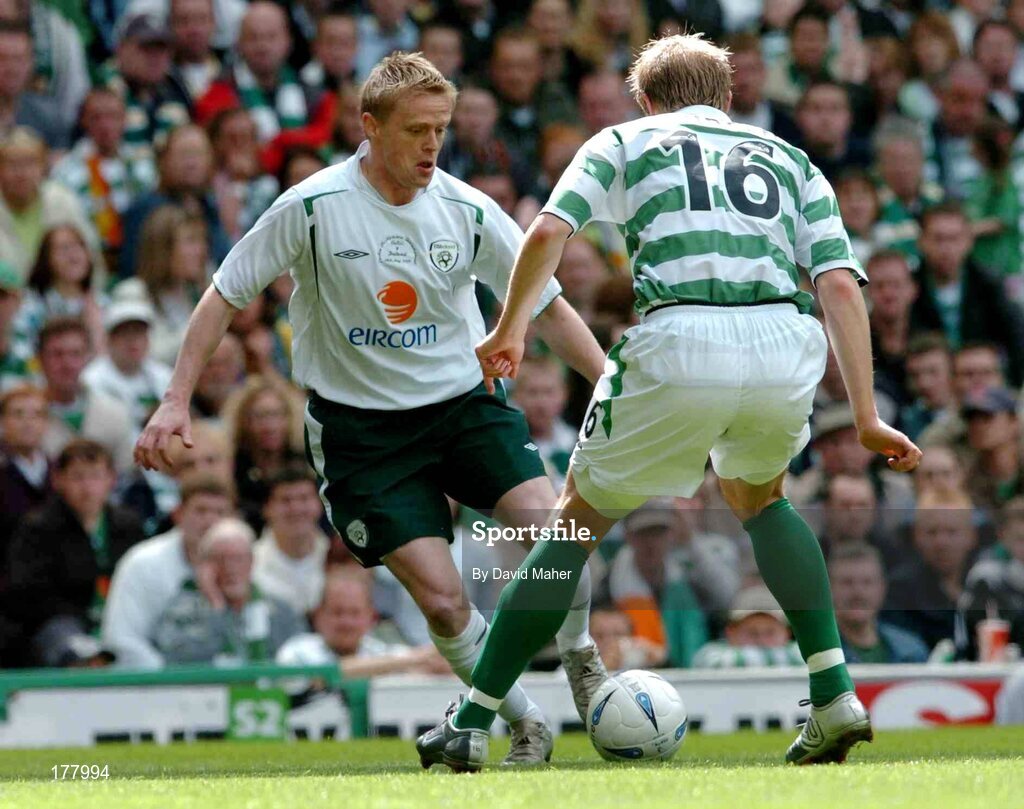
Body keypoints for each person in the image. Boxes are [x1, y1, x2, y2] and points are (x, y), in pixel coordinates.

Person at [422, 33, 921, 772]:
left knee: (572, 528)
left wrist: (509, 328)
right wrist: (869, 412)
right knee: (763, 500)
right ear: (727, 98)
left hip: (680, 333)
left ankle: (472, 718)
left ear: (647, 99)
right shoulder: (789, 157)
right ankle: (834, 691)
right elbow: (840, 285)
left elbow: (550, 230)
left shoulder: (623, 139)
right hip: (786, 339)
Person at [135, 53, 609, 764]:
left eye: (441, 130)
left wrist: (610, 383)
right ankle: (523, 721)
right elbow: (224, 295)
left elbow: (547, 307)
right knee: (445, 602)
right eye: (416, 129)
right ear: (370, 126)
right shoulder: (313, 207)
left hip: (462, 405)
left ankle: (581, 657)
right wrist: (174, 399)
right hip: (363, 435)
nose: (431, 146)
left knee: (556, 536)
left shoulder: (468, 208)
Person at [7, 439, 143, 666]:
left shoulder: (128, 525)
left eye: (95, 476)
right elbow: (27, 595)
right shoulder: (38, 527)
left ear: (112, 479)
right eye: (78, 477)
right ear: (58, 480)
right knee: (74, 648)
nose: (87, 487)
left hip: (120, 616)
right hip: (61, 624)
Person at [100, 473, 235, 668]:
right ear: (178, 514)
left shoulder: (246, 561)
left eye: (220, 512)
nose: (210, 521)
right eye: (201, 511)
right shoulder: (142, 563)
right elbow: (122, 639)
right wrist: (170, 679)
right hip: (155, 685)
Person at [151, 517, 304, 665]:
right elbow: (175, 658)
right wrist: (216, 607)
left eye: (238, 559)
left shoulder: (279, 611)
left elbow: (301, 656)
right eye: (220, 559)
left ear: (251, 561)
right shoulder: (182, 610)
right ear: (206, 565)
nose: (230, 568)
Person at [82, 300, 173, 433]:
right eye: (124, 333)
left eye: (139, 333)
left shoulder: (163, 375)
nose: (133, 341)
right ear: (109, 340)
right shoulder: (91, 379)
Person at [829, 543, 930, 663]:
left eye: (867, 583)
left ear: (882, 588)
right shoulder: (810, 652)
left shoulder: (913, 651)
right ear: (828, 589)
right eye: (847, 583)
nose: (858, 592)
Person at [252, 466, 332, 615]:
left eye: (304, 498)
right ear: (267, 509)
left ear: (320, 505)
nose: (296, 508)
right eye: (285, 500)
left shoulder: (340, 559)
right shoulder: (250, 565)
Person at [691, 585, 803, 669]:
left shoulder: (799, 651)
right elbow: (708, 661)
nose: (761, 641)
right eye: (752, 633)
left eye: (770, 632)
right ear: (730, 633)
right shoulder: (710, 654)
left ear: (787, 633)